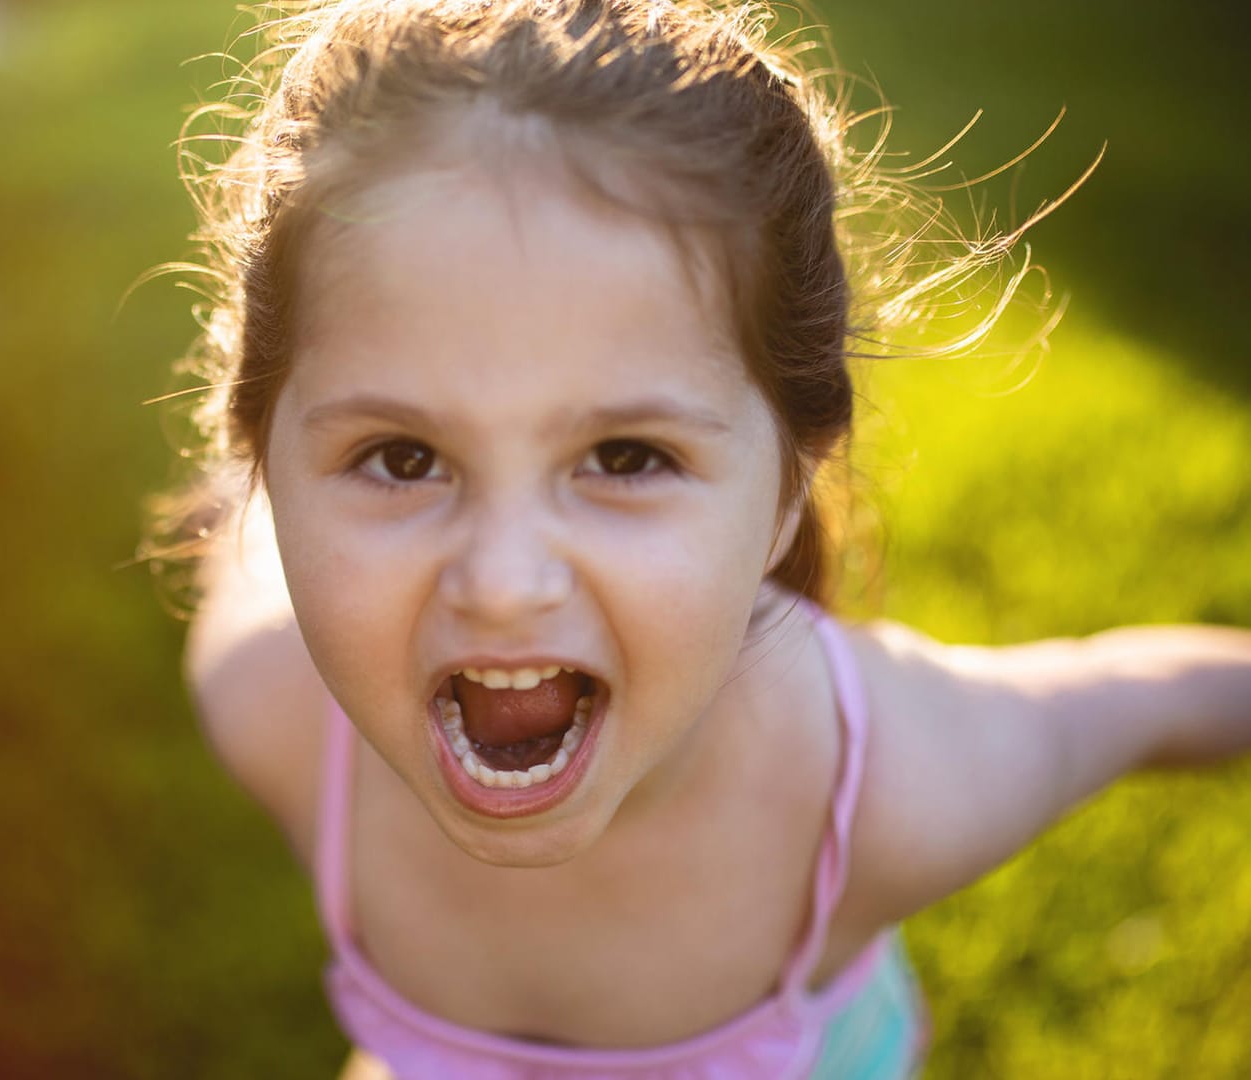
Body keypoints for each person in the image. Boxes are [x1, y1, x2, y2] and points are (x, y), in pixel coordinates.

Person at [151, 1, 1251, 1076]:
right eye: (400, 457)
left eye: (625, 458)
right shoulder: (264, 695)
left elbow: (1136, 695)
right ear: (264, 463)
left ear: (787, 488)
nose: (501, 583)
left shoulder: (885, 792)